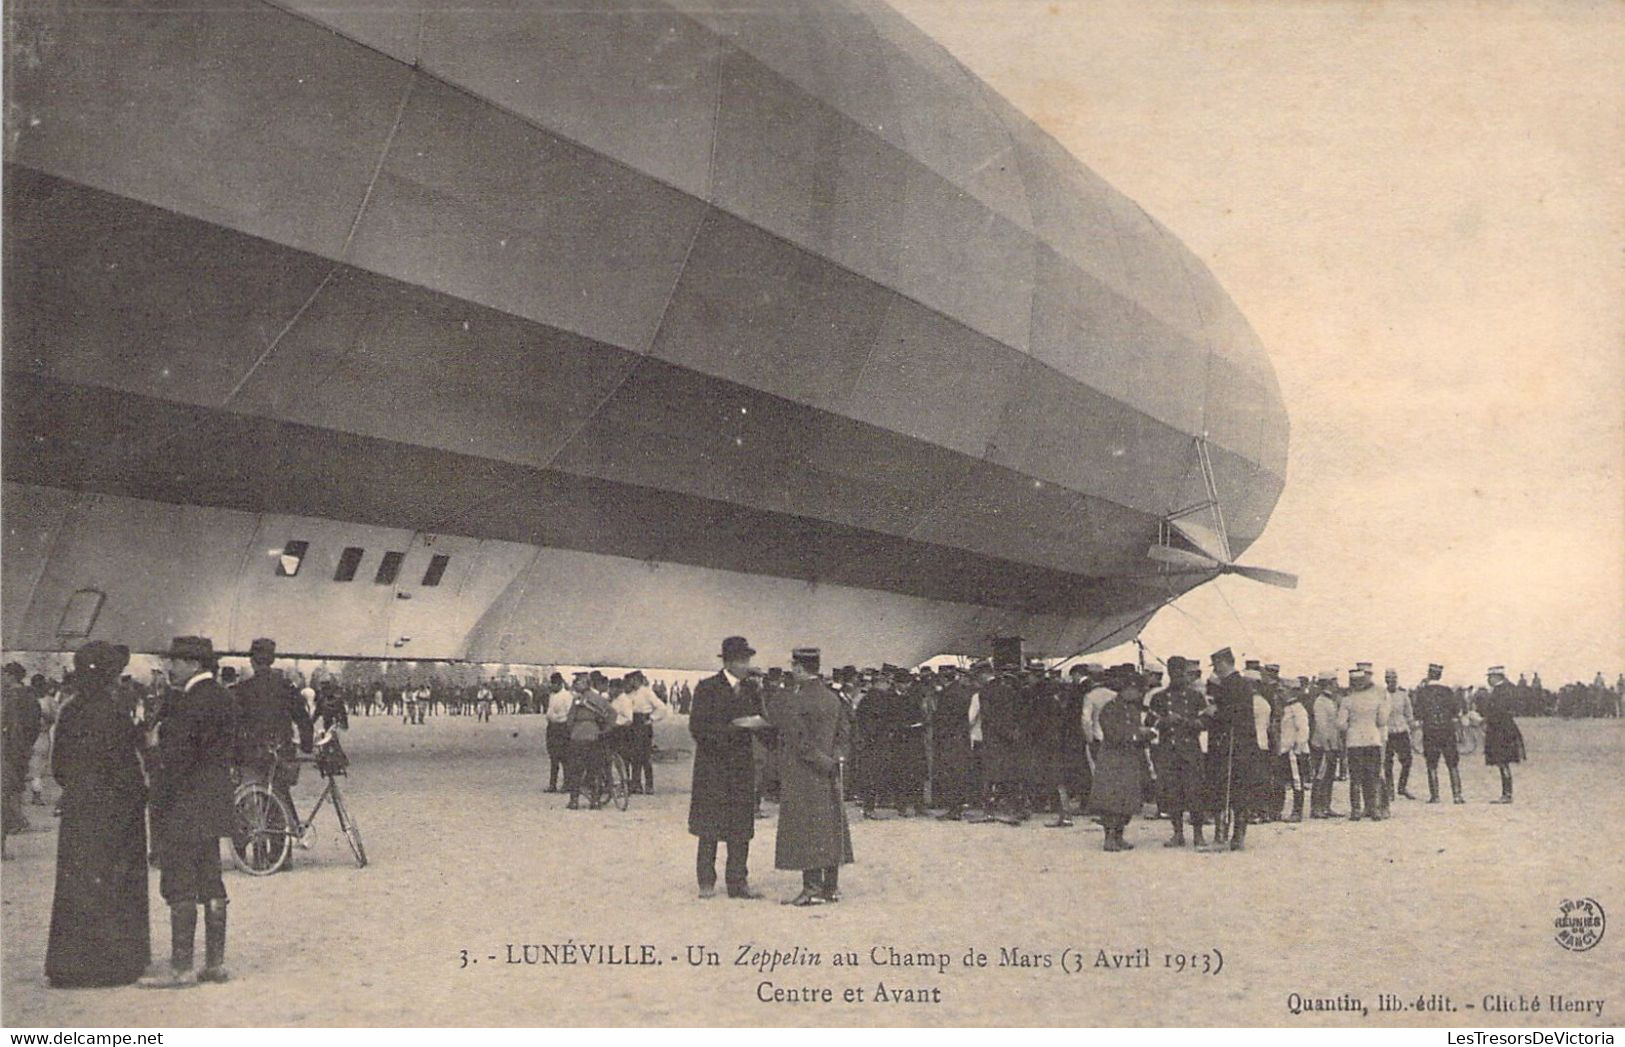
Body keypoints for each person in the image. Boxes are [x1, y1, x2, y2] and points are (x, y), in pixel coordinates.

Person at [45, 642, 150, 987]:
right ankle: (114, 963)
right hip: (115, 812)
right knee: (115, 883)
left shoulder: (71, 710)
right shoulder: (115, 711)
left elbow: (58, 766)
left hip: (80, 811)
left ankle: (71, 964)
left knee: (78, 885)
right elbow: (126, 765)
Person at [141, 636, 236, 988]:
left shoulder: (187, 702)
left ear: (194, 664)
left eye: (177, 661)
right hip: (213, 803)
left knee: (180, 882)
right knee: (211, 879)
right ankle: (215, 964)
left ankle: (182, 968)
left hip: (183, 802)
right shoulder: (225, 696)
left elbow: (175, 759)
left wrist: (152, 750)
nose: (171, 667)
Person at [769, 649, 853, 905]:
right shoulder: (833, 698)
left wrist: (821, 761)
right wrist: (836, 759)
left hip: (805, 772)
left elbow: (797, 740)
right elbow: (845, 732)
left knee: (808, 828)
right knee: (830, 825)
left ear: (799, 669)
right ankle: (832, 887)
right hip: (830, 773)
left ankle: (812, 888)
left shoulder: (794, 700)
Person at [688, 637, 768, 898]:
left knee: (741, 827)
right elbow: (698, 729)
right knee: (709, 828)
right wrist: (735, 727)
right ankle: (706, 882)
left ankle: (738, 882)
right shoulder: (707, 688)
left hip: (741, 767)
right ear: (729, 662)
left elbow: (762, 724)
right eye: (743, 661)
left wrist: (765, 727)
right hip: (713, 768)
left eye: (747, 660)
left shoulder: (752, 691)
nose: (747, 665)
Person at [231, 639, 313, 838]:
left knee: (251, 802)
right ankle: (281, 854)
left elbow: (234, 725)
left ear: (252, 661)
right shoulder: (286, 688)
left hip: (251, 755)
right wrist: (307, 745)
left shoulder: (243, 689)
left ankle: (250, 852)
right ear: (272, 660)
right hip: (280, 752)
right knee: (278, 799)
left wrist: (234, 754)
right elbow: (303, 719)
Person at [1202, 648, 1267, 851]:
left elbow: (1234, 714)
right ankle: (1233, 835)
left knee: (1230, 789)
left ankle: (1229, 835)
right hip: (1235, 746)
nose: (1216, 671)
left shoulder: (1234, 685)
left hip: (1233, 746)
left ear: (1223, 663)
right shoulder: (1235, 684)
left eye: (1217, 666)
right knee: (1234, 790)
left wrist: (1215, 712)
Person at [1086, 669, 1152, 851]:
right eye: (1137, 690)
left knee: (1127, 800)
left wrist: (1145, 735)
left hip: (1130, 758)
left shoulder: (1132, 709)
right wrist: (1139, 734)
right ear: (1127, 689)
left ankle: (1119, 835)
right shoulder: (1110, 708)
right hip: (1113, 759)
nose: (1139, 694)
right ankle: (1109, 837)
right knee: (1111, 800)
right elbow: (1114, 735)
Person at [1148, 657, 1208, 846]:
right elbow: (1149, 722)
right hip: (1168, 751)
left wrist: (1186, 722)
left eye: (1181, 673)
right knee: (1172, 792)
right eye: (1174, 673)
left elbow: (1205, 722)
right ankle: (1178, 833)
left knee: (1194, 792)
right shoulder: (1159, 698)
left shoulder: (1196, 697)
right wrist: (1165, 721)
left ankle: (1198, 833)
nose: (1178, 677)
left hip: (1190, 750)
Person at [1337, 665, 1389, 821]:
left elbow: (1340, 723)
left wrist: (1350, 727)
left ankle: (1356, 810)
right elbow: (1382, 721)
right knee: (1373, 775)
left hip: (1354, 741)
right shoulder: (1376, 698)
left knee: (1355, 776)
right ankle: (1374, 809)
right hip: (1372, 739)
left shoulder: (1347, 700)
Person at [930, 667, 978, 820]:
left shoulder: (948, 693)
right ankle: (958, 807)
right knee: (960, 772)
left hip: (950, 738)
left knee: (951, 773)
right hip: (962, 737)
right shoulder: (966, 692)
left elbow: (943, 718)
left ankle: (954, 809)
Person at [1413, 664, 1464, 804]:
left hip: (1430, 731)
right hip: (1447, 731)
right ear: (1440, 675)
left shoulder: (1422, 692)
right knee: (1452, 763)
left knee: (1431, 764)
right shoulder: (1448, 691)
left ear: (1429, 674)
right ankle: (1457, 795)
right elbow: (1455, 711)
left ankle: (1435, 796)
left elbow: (1417, 713)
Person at [564, 674, 614, 810]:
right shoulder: (600, 699)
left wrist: (571, 731)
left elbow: (569, 720)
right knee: (595, 769)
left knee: (576, 770)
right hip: (594, 736)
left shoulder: (578, 700)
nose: (575, 685)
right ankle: (595, 801)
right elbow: (612, 714)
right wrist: (605, 730)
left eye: (578, 682)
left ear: (585, 683)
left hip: (578, 737)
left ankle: (574, 801)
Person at [1482, 666, 1526, 803]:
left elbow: (1497, 711)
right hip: (1506, 728)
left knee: (1502, 761)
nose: (1488, 680)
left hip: (1500, 730)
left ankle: (1507, 794)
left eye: (1490, 677)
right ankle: (1507, 793)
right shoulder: (1508, 688)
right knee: (1503, 761)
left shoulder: (1500, 691)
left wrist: (1484, 719)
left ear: (1496, 677)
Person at [622, 671, 670, 794]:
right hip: (633, 724)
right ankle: (636, 784)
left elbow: (661, 707)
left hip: (643, 725)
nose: (630, 682)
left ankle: (649, 785)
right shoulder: (631, 693)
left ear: (636, 679)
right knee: (634, 755)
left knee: (645, 756)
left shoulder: (647, 692)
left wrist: (652, 719)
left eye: (632, 680)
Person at [1275, 675, 1312, 822]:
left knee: (1297, 781)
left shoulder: (1298, 709)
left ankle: (1297, 811)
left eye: (1283, 690)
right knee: (1289, 780)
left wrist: (1297, 748)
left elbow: (1303, 730)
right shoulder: (1287, 708)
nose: (1281, 693)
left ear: (1292, 691)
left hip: (1294, 752)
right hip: (1286, 750)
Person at [1383, 669, 1417, 802]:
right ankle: (1389, 790)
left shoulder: (1403, 695)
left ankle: (1402, 787)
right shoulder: (1382, 695)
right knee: (1387, 763)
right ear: (1386, 680)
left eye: (1394, 679)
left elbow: (1409, 713)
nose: (1392, 681)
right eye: (1389, 679)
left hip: (1401, 731)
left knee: (1407, 760)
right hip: (1387, 733)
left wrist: (1412, 726)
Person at [542, 674, 571, 791]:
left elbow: (568, 713)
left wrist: (556, 718)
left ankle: (567, 783)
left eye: (554, 684)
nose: (552, 686)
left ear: (560, 684)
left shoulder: (566, 696)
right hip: (552, 728)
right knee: (553, 756)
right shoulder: (552, 696)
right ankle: (552, 784)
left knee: (564, 757)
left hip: (562, 727)